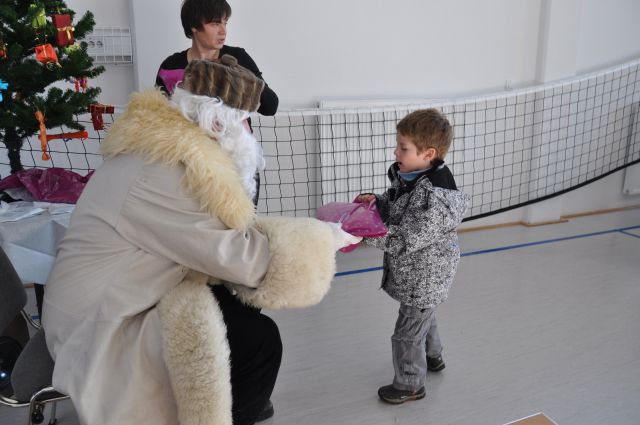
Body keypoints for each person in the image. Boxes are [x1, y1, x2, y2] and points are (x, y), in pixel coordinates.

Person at [42, 56, 360, 425]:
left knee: (239, 310)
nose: (248, 132)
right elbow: (244, 260)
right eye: (244, 120)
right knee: (259, 343)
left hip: (122, 294)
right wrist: (326, 239)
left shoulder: (160, 150)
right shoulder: (167, 174)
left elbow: (212, 238)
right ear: (217, 120)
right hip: (98, 328)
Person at [354, 109, 469, 404]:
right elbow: (396, 207)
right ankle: (434, 357)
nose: (396, 151)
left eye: (403, 147)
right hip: (415, 271)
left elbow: (407, 238)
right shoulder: (409, 174)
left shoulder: (437, 198)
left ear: (428, 153)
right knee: (422, 316)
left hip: (427, 273)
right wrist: (376, 202)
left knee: (407, 332)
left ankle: (410, 384)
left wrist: (365, 233)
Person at [156, 0, 278, 116]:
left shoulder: (237, 57)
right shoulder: (170, 67)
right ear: (194, 25)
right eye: (215, 24)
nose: (223, 31)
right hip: (189, 137)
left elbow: (271, 107)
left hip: (234, 137)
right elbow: (158, 117)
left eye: (225, 23)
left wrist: (241, 81)